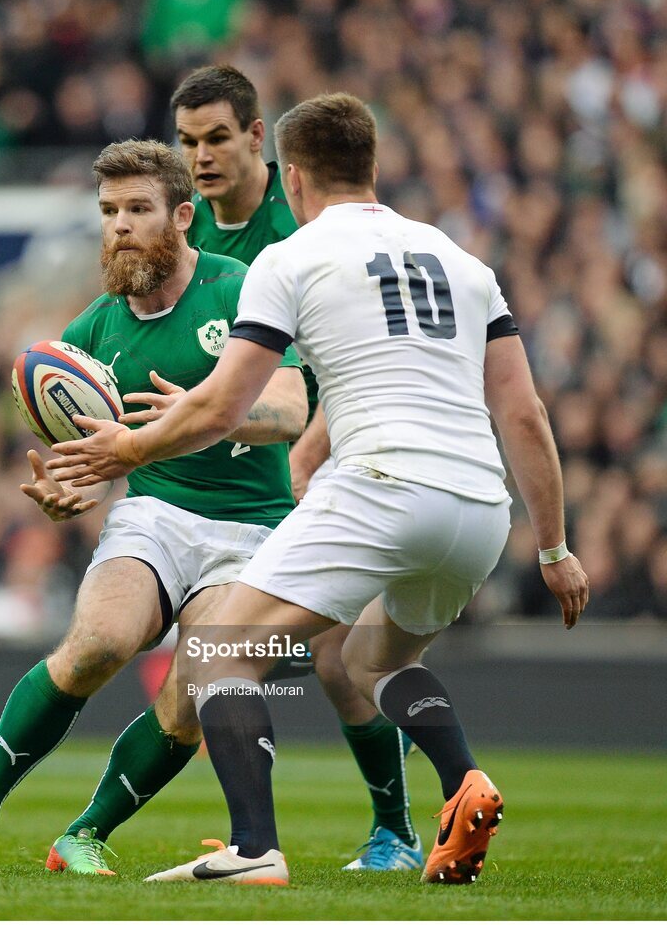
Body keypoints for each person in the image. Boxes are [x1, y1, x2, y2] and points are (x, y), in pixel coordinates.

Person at [48, 93, 590, 886]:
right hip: (478, 507)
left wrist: (123, 448)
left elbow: (223, 406)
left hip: (380, 488)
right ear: (371, 166)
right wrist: (554, 546)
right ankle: (462, 779)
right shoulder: (464, 262)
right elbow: (523, 412)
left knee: (220, 650)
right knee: (367, 663)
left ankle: (253, 849)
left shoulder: (290, 258)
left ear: (290, 177)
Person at [0, 139, 308, 874]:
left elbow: (291, 408)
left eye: (138, 209)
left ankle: (84, 833)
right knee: (98, 643)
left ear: (182, 216)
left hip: (252, 527)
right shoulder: (91, 332)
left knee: (199, 685)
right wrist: (73, 488)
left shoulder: (238, 285)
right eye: (109, 211)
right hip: (155, 516)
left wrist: (209, 410)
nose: (119, 225)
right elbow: (86, 462)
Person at [172, 64, 423, 871]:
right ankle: (254, 835)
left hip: (331, 463)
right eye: (187, 143)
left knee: (335, 659)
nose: (201, 157)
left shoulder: (309, 223)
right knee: (215, 659)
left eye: (216, 138)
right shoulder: (186, 235)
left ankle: (395, 829)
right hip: (235, 480)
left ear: (257, 139)